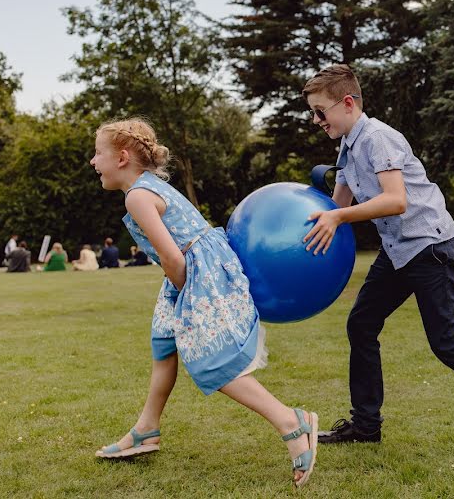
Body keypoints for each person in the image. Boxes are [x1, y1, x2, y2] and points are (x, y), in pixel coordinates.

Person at [301, 64, 454, 447]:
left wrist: (338, 215)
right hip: (395, 251)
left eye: (320, 111)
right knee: (361, 325)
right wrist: (312, 219)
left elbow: (395, 200)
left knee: (446, 342)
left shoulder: (378, 138)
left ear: (346, 103)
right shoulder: (346, 146)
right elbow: (336, 204)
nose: (315, 119)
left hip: (428, 247)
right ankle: (365, 426)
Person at [89, 118, 318, 487]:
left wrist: (187, 297)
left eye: (98, 153)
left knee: (212, 361)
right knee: (164, 347)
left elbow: (173, 259)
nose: (93, 161)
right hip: (192, 270)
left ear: (122, 158)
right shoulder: (148, 187)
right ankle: (147, 429)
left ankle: (292, 421)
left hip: (196, 273)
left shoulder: (137, 196)